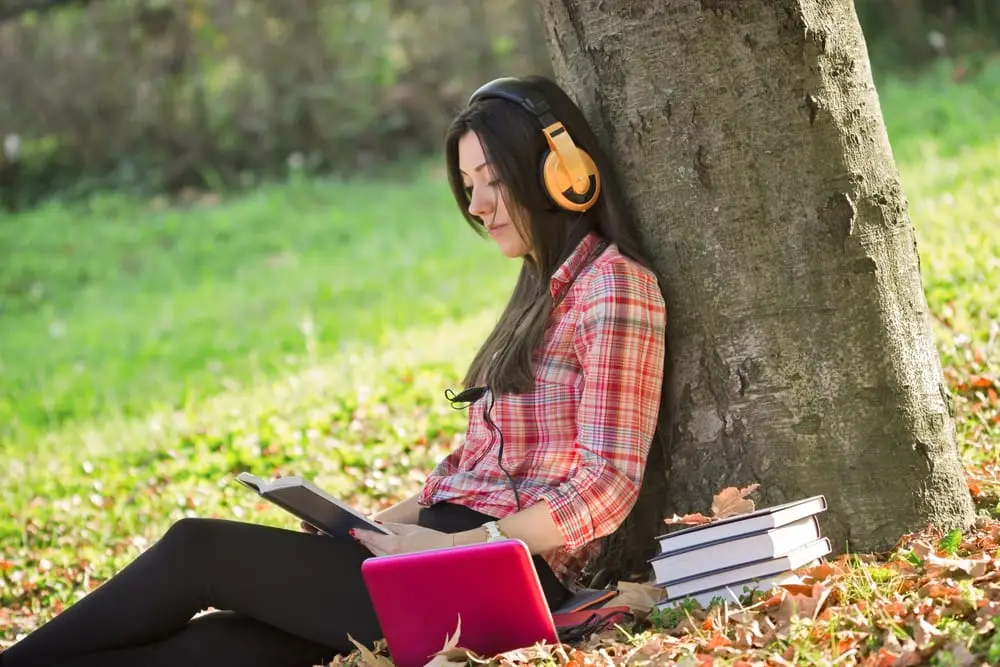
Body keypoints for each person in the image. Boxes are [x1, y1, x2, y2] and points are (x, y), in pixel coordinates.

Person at [1, 75, 666, 667]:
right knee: (218, 646)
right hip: (441, 548)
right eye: (469, 187)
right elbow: (473, 468)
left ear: (562, 170)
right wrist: (363, 524)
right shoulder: (536, 290)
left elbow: (606, 485)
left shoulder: (615, 287)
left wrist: (457, 545)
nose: (478, 204)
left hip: (497, 577)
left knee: (195, 550)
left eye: (492, 178)